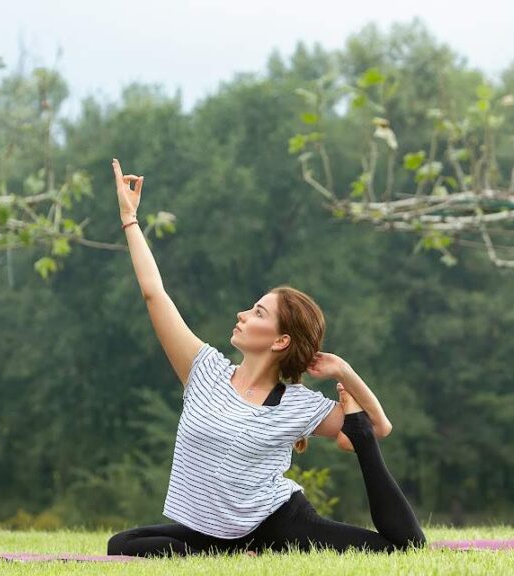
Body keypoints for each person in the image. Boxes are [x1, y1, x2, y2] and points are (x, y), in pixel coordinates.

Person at [106, 159, 426, 557]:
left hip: (283, 524)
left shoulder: (297, 403)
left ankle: (249, 550)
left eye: (258, 313)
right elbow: (155, 293)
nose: (243, 314)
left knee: (402, 546)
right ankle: (235, 553)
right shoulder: (203, 370)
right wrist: (129, 220)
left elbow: (379, 428)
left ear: (280, 341)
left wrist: (345, 371)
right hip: (212, 530)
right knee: (123, 544)